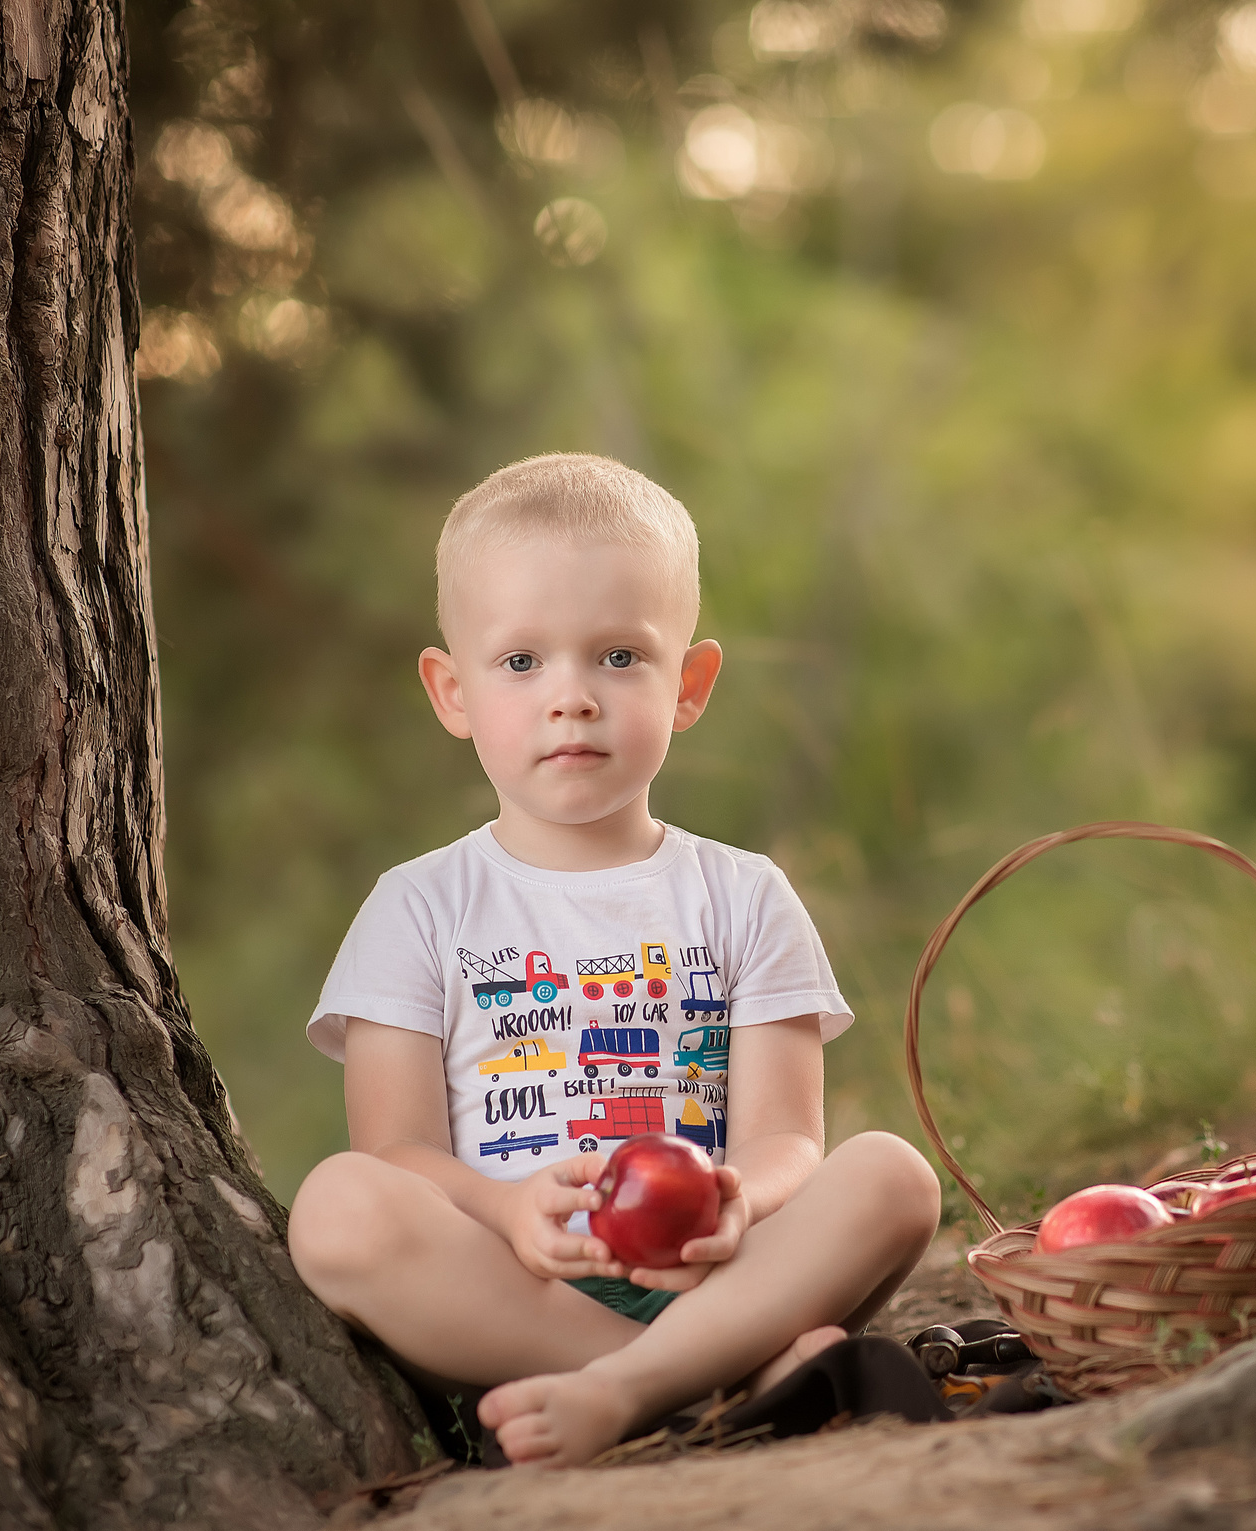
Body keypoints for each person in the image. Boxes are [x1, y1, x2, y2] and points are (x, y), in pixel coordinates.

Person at [287, 453, 945, 1469]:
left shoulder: (742, 892)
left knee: (891, 1177)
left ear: (689, 686)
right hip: (515, 1283)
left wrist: (745, 1201)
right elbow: (395, 1152)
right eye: (520, 663)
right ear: (451, 690)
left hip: (715, 1269)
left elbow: (786, 1141)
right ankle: (723, 1385)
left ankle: (627, 1393)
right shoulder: (418, 905)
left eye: (618, 658)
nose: (572, 699)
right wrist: (510, 1210)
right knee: (336, 1206)